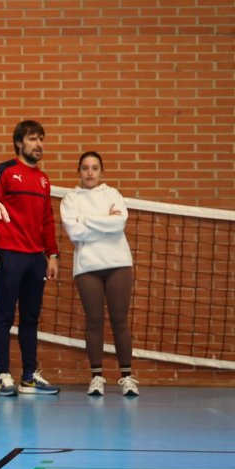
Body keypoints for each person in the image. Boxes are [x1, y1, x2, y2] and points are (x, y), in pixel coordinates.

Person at [0, 120, 61, 396]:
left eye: (41, 139)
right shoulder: (3, 172)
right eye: (32, 139)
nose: (38, 144)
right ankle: (3, 376)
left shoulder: (43, 179)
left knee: (30, 318)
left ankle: (29, 376)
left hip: (35, 259)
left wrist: (52, 254)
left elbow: (47, 220)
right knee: (4, 316)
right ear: (19, 143)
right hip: (9, 255)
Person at [61, 152, 139, 397]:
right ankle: (96, 377)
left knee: (119, 320)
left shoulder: (113, 194)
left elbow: (119, 223)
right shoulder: (70, 198)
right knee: (94, 321)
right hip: (87, 266)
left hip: (118, 264)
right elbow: (74, 232)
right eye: (85, 168)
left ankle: (127, 377)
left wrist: (86, 220)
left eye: (95, 168)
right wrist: (105, 223)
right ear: (79, 172)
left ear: (101, 171)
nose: (90, 172)